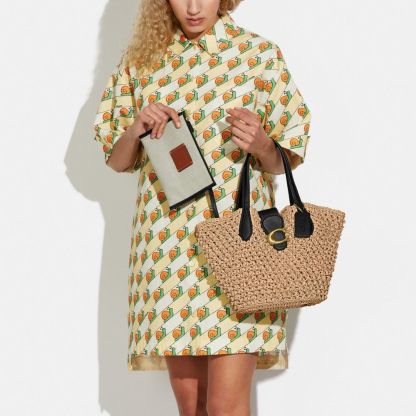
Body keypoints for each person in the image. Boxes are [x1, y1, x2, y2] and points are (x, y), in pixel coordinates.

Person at [93, 0, 311, 414]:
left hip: (242, 247)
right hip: (168, 250)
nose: (193, 7)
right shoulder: (143, 59)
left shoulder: (258, 55)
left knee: (226, 407)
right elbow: (117, 160)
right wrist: (137, 128)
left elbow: (288, 155)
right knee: (192, 407)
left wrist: (263, 145)